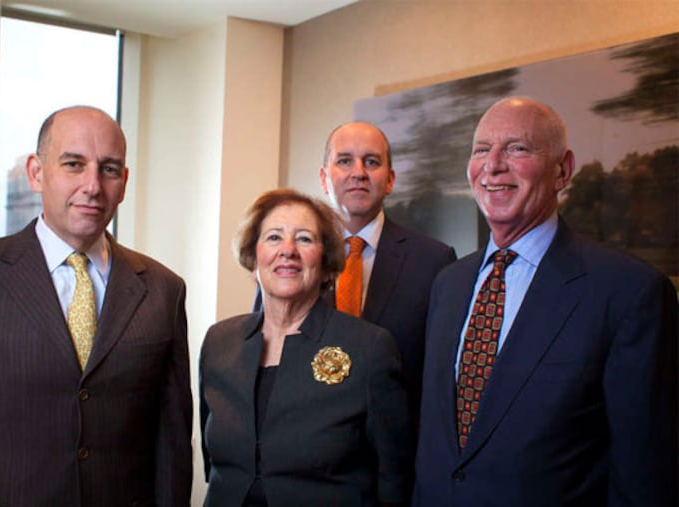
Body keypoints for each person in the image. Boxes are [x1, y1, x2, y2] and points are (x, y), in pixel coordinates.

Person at [0, 106, 193, 506]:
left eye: (109, 169)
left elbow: (171, 447)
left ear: (125, 182)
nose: (93, 185)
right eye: (73, 164)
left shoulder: (163, 290)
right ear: (36, 172)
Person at [412, 97, 678, 506]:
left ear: (562, 170)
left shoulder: (629, 292)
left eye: (517, 148)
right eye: (481, 149)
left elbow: (644, 471)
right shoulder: (448, 284)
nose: (493, 165)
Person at [200, 189, 412, 506]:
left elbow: (394, 478)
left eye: (304, 239)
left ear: (326, 263)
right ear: (253, 257)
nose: (287, 250)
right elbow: (214, 465)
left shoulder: (369, 348)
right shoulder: (219, 342)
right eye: (273, 237)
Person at [319, 121, 456, 426]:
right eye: (344, 161)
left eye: (372, 161)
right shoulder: (295, 258)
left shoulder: (433, 261)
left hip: (394, 451)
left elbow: (440, 376)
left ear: (390, 180)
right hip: (309, 453)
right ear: (324, 178)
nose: (358, 173)